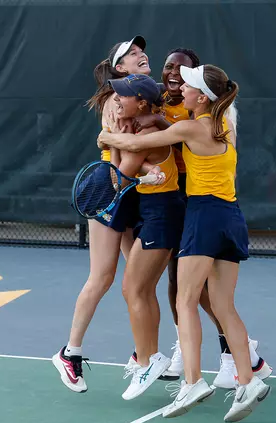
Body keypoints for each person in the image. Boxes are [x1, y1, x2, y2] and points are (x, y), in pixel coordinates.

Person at [98, 64, 270, 422]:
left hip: (204, 215)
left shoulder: (191, 126)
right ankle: (248, 381)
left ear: (201, 97)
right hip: (232, 217)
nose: (180, 90)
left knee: (186, 300)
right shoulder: (224, 125)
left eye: (188, 88)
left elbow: (133, 144)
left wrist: (107, 134)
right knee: (224, 306)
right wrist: (159, 123)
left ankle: (192, 381)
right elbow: (171, 132)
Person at [52, 36, 158, 393]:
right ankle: (70, 353)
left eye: (141, 52)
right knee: (103, 277)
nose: (140, 55)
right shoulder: (118, 101)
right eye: (131, 55)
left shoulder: (143, 95)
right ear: (119, 69)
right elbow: (120, 160)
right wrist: (142, 176)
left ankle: (142, 354)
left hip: (128, 192)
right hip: (111, 192)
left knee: (138, 284)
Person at [105, 74, 184, 400]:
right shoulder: (138, 129)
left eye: (123, 96)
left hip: (162, 214)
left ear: (141, 103)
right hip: (155, 212)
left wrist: (111, 142)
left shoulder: (149, 132)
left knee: (133, 288)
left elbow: (118, 181)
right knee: (141, 289)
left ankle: (150, 360)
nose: (117, 100)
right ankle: (149, 357)